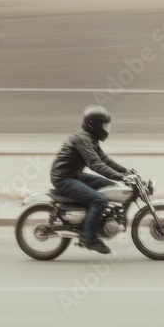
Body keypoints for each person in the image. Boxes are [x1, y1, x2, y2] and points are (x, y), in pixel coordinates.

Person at [50, 105, 137, 254]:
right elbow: (96, 164)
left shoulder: (90, 137)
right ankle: (88, 238)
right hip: (63, 178)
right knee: (99, 200)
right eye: (104, 125)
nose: (106, 129)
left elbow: (104, 159)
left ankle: (96, 221)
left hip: (74, 175)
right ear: (95, 125)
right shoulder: (83, 138)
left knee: (111, 186)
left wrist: (124, 171)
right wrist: (122, 177)